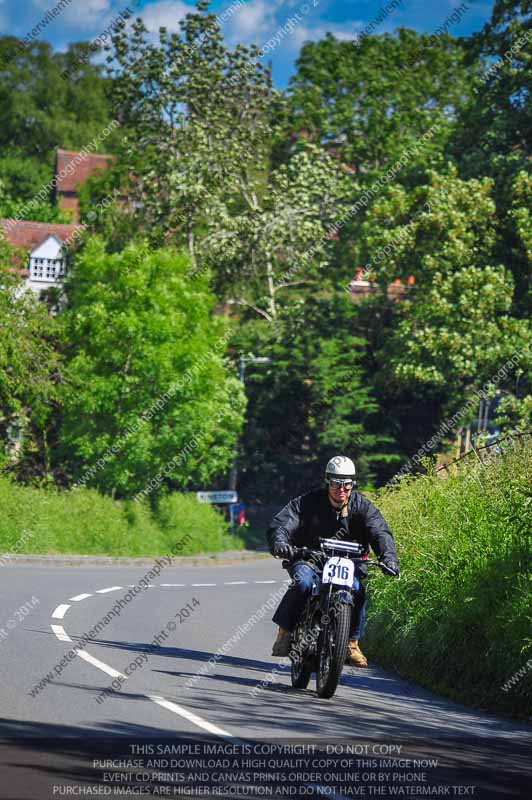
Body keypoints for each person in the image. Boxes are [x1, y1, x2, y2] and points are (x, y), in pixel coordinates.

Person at [267, 455, 400, 667]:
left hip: (349, 563)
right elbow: (284, 522)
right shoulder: (308, 502)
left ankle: (352, 643)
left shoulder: (363, 507)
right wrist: (280, 541)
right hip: (310, 560)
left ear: (352, 484)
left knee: (356, 589)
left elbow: (380, 532)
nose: (342, 489)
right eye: (337, 483)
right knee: (302, 583)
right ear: (328, 481)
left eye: (347, 484)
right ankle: (285, 631)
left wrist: (389, 557)